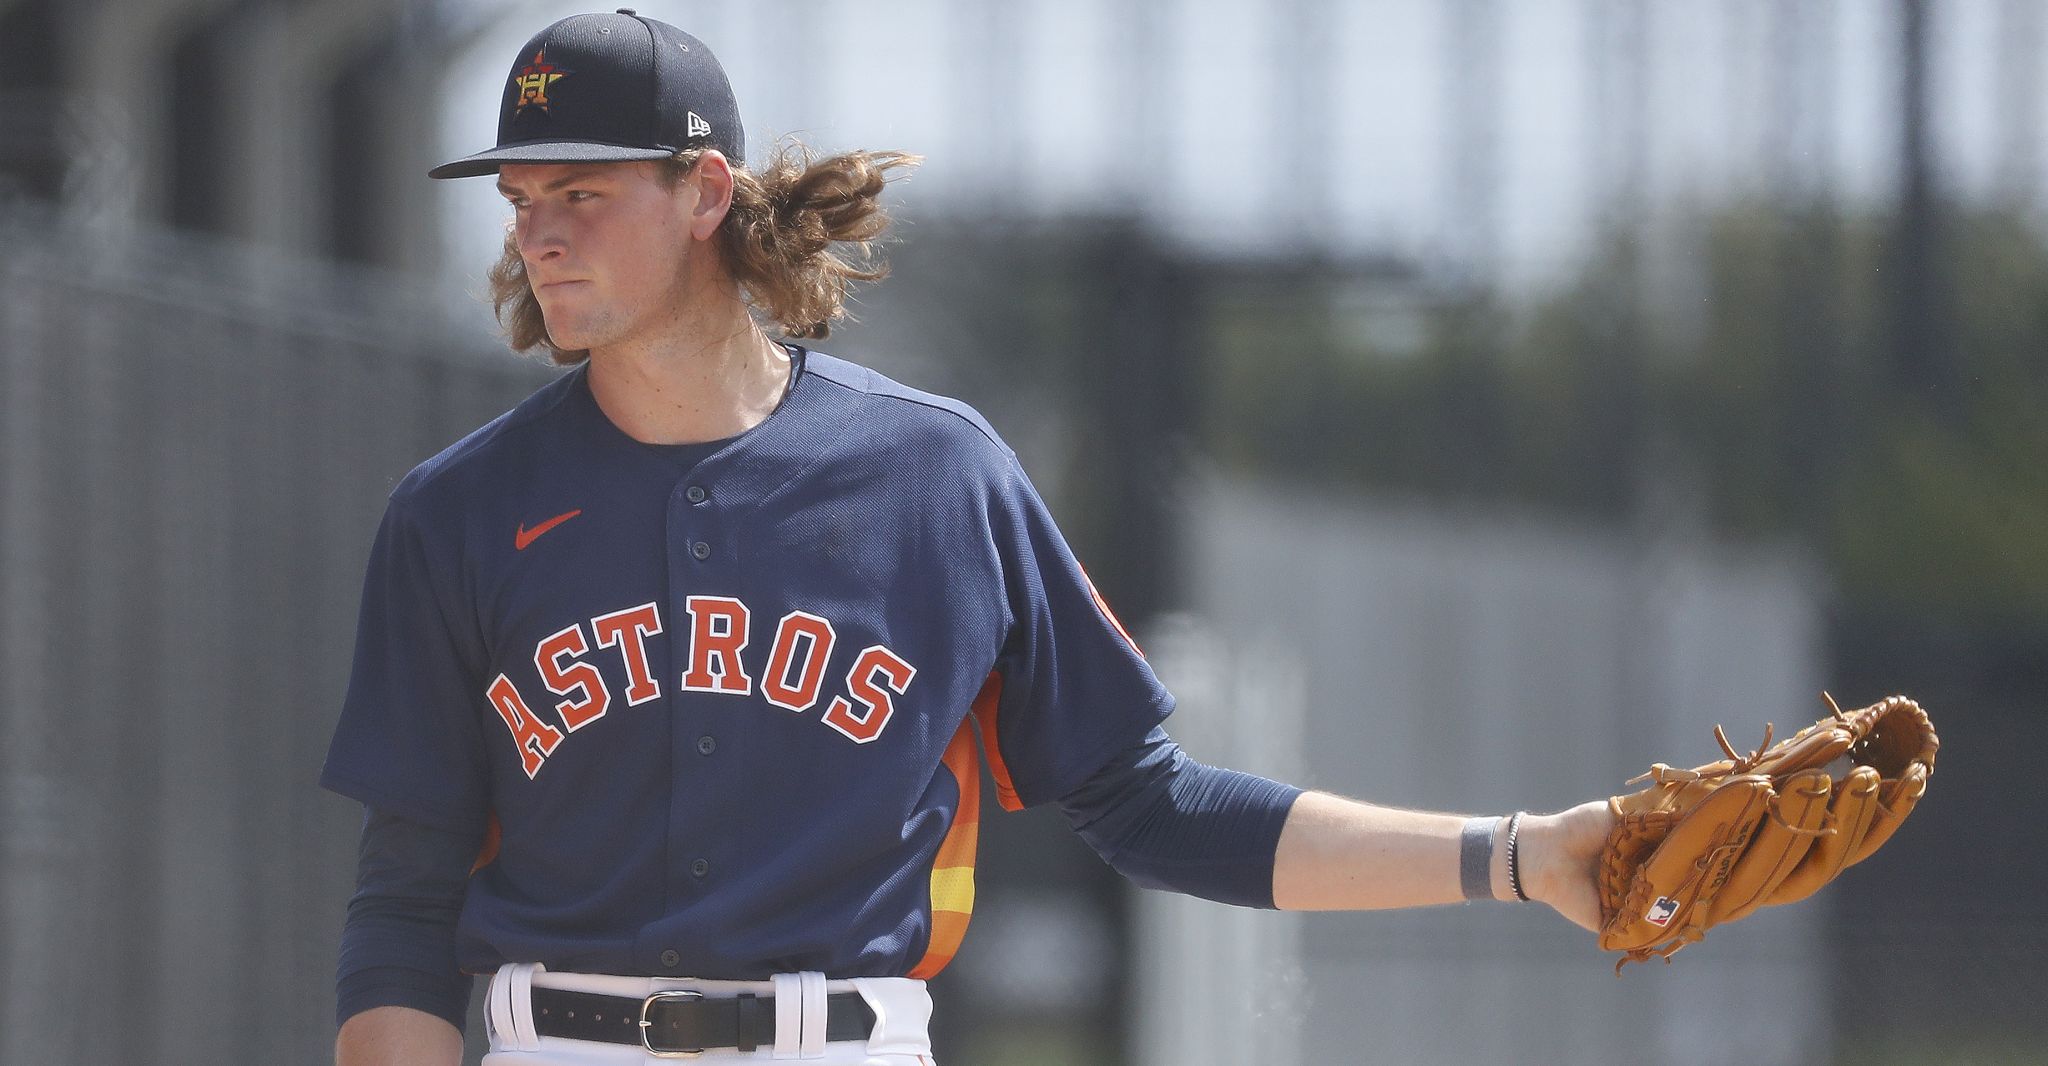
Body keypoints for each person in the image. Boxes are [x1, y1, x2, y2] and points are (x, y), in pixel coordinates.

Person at [322, 10, 1616, 1065]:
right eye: (521, 196)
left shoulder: (935, 478)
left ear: (704, 192)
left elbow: (1153, 803)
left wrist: (1516, 854)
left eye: (583, 192)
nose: (538, 231)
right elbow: (402, 903)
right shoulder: (459, 511)